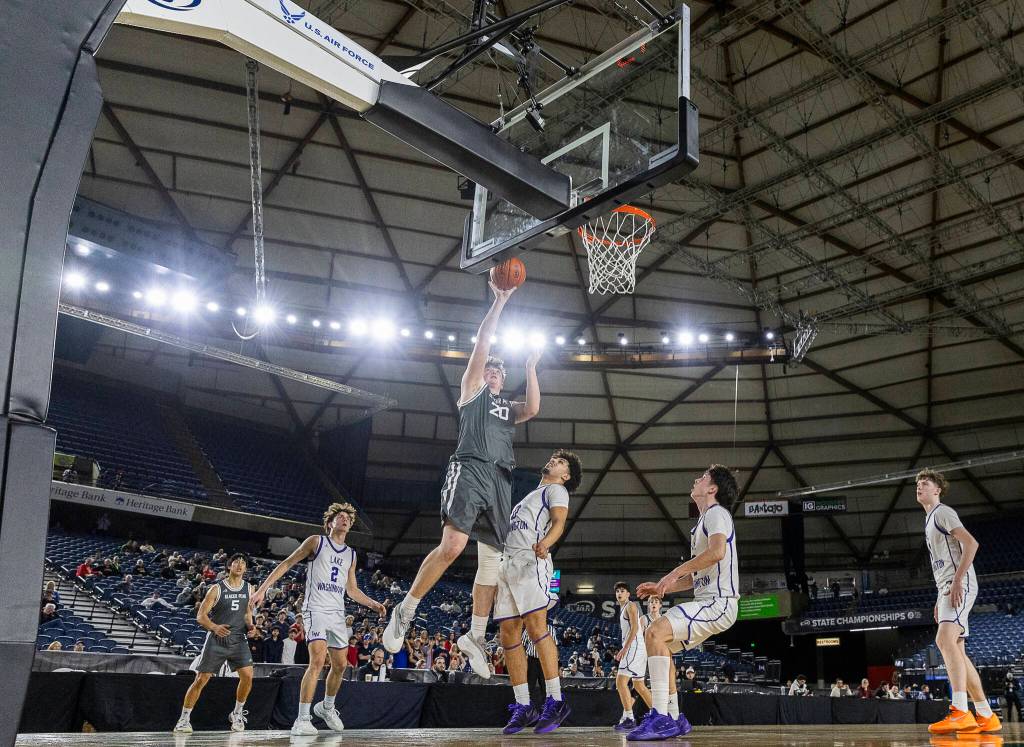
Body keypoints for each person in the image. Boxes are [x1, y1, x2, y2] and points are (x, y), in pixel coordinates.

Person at [383, 282, 541, 679]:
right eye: (488, 367)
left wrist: (531, 368)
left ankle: (473, 637)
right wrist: (500, 301)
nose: (491, 370)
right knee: (453, 546)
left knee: (491, 565)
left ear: (503, 379)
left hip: (500, 481)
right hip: (469, 468)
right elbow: (484, 342)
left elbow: (534, 408)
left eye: (497, 370)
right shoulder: (472, 392)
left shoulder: (507, 406)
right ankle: (407, 609)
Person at [251, 502, 386, 736]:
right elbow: (287, 563)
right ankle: (302, 719)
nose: (345, 519)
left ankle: (326, 707)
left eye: (348, 518)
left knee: (341, 665)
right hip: (315, 609)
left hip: (336, 613)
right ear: (330, 522)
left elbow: (351, 590)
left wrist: (372, 603)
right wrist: (263, 588)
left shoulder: (351, 554)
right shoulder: (316, 541)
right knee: (317, 661)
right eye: (340, 516)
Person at [631, 465, 740, 741]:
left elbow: (717, 552)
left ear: (712, 489)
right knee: (660, 644)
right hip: (710, 601)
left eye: (703, 478)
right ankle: (675, 717)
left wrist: (673, 573)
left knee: (654, 631)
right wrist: (663, 586)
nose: (696, 480)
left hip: (719, 602)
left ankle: (659, 717)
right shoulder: (702, 522)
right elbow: (696, 578)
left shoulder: (717, 513)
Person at [495, 451, 581, 735]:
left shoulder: (556, 490)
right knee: (507, 632)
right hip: (509, 564)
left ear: (565, 476)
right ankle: (523, 705)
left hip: (532, 560)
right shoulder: (529, 497)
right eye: (554, 458)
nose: (554, 461)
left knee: (535, 627)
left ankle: (556, 700)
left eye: (561, 462)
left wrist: (546, 543)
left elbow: (559, 522)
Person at [917, 469, 1000, 735]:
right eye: (917, 484)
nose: (919, 487)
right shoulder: (930, 518)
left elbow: (971, 544)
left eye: (925, 483)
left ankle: (960, 711)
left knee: (944, 640)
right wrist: (940, 595)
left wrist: (956, 582)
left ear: (937, 489)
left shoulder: (943, 512)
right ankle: (986, 715)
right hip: (946, 586)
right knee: (958, 652)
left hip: (958, 583)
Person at [174, 553, 255, 734]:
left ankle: (237, 713)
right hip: (217, 640)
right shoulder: (216, 589)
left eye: (243, 563)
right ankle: (184, 719)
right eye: (236, 562)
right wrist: (214, 627)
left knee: (248, 676)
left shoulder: (250, 588)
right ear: (229, 566)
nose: (240, 565)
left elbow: (247, 614)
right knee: (201, 679)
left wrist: (251, 625)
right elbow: (201, 616)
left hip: (239, 640)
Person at [613, 582, 652, 732]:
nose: (619, 593)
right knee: (638, 685)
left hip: (634, 648)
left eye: (622, 590)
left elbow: (635, 627)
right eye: (617, 591)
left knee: (621, 682)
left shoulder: (631, 606)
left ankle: (629, 718)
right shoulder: (624, 608)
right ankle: (661, 715)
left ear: (628, 594)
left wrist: (625, 648)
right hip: (637, 648)